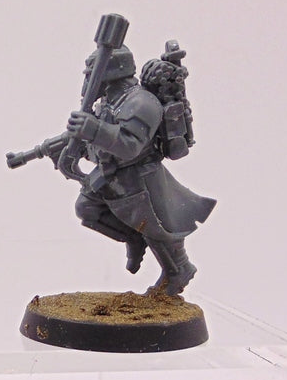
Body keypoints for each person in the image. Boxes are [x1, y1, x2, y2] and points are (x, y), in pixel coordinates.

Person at [38, 44, 215, 295]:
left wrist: (93, 130)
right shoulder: (108, 102)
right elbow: (100, 144)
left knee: (155, 229)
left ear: (109, 73)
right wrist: (67, 146)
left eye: (91, 74)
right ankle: (133, 238)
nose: (88, 81)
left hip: (140, 178)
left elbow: (130, 146)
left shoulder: (142, 103)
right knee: (87, 209)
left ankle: (179, 270)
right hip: (112, 175)